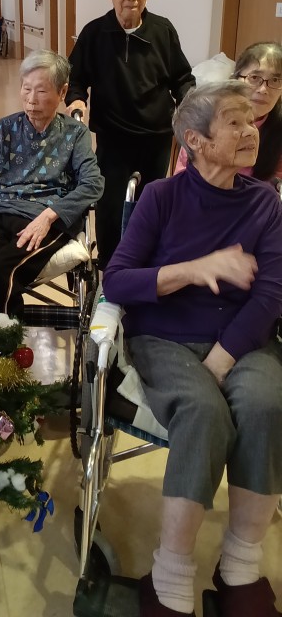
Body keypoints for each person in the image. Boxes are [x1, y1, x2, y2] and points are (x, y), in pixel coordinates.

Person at [102, 81, 282, 617]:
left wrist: (224, 356)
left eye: (251, 121)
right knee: (203, 412)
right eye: (234, 122)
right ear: (195, 141)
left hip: (244, 336)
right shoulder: (162, 197)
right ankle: (171, 573)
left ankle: (240, 567)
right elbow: (117, 280)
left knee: (267, 404)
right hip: (164, 336)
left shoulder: (265, 202)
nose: (250, 131)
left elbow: (272, 292)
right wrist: (194, 270)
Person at [0, 49, 104, 315]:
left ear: (62, 92)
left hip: (45, 219)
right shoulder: (4, 129)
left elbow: (93, 183)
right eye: (26, 88)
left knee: (1, 270)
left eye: (41, 91)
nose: (31, 100)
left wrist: (49, 216)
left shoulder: (74, 134)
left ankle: (2, 337)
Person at [66, 0, 195, 269]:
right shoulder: (94, 33)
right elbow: (76, 79)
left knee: (151, 205)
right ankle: (111, 268)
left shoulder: (163, 31)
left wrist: (191, 104)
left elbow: (182, 78)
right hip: (112, 137)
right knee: (109, 206)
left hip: (156, 136)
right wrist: (77, 101)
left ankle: (146, 266)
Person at [175, 41, 282, 182]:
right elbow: (182, 178)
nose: (263, 90)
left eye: (275, 80)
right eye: (255, 78)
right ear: (235, 79)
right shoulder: (206, 116)